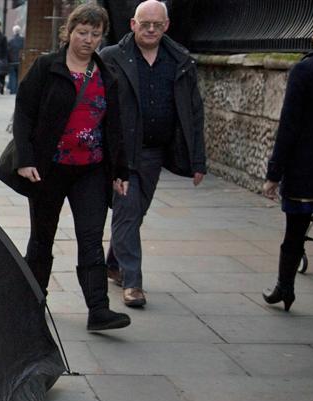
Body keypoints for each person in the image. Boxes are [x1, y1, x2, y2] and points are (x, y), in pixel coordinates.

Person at [12, 3, 130, 331]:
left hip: (90, 169)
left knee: (91, 238)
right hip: (49, 169)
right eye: (82, 32)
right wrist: (26, 159)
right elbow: (23, 113)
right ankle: (32, 302)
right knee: (42, 239)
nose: (88, 40)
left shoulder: (107, 75)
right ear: (70, 31)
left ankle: (99, 310)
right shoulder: (47, 67)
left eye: (95, 34)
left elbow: (115, 126)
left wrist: (121, 171)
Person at [101, 0, 206, 308]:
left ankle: (113, 263)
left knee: (135, 212)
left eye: (156, 25)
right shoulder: (112, 57)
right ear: (132, 24)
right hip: (121, 152)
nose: (150, 30)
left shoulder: (180, 61)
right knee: (128, 210)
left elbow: (194, 112)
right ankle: (133, 283)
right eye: (144, 24)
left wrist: (197, 160)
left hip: (154, 153)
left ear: (166, 26)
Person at [260, 12, 313, 312]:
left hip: (307, 170)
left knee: (295, 234)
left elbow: (290, 125)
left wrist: (274, 174)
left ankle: (285, 287)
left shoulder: (306, 69)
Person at [7, 25, 24, 94]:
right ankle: (17, 90)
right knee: (18, 76)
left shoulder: (10, 41)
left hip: (12, 61)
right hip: (20, 61)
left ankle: (13, 90)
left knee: (12, 76)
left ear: (13, 31)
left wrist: (8, 60)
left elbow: (8, 51)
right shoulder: (23, 40)